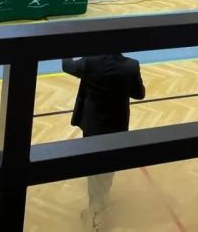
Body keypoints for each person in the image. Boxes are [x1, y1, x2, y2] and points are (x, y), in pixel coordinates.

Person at [62, 54, 145, 228]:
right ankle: (101, 204)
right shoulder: (131, 66)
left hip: (94, 127)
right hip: (117, 127)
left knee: (94, 172)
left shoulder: (90, 63)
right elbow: (139, 94)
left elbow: (66, 65)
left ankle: (96, 215)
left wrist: (67, 48)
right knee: (108, 169)